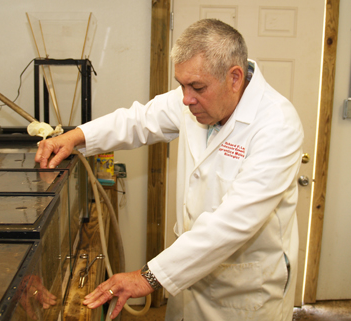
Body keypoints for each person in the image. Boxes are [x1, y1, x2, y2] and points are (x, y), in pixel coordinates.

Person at [35, 19, 303, 321]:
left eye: (197, 88)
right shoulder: (192, 97)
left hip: (244, 292)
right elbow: (137, 121)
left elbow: (234, 222)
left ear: (235, 77)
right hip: (189, 277)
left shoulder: (277, 125)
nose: (186, 99)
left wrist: (147, 277)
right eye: (182, 86)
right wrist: (75, 137)